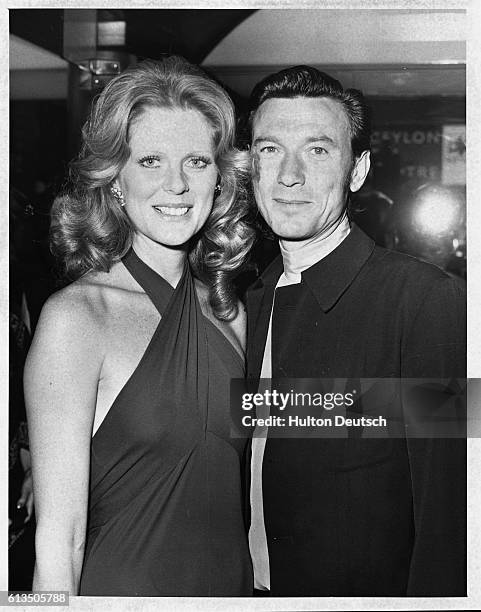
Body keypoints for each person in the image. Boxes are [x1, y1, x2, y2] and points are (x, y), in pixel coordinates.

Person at [24, 56, 255, 596]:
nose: (176, 184)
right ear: (116, 181)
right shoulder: (78, 318)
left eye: (197, 161)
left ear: (220, 180)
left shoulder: (229, 312)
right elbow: (60, 539)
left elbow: (306, 429)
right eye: (151, 160)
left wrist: (455, 404)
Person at [245, 65, 466, 596]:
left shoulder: (423, 301)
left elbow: (450, 516)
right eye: (270, 150)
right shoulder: (246, 300)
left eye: (318, 151)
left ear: (358, 170)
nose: (289, 175)